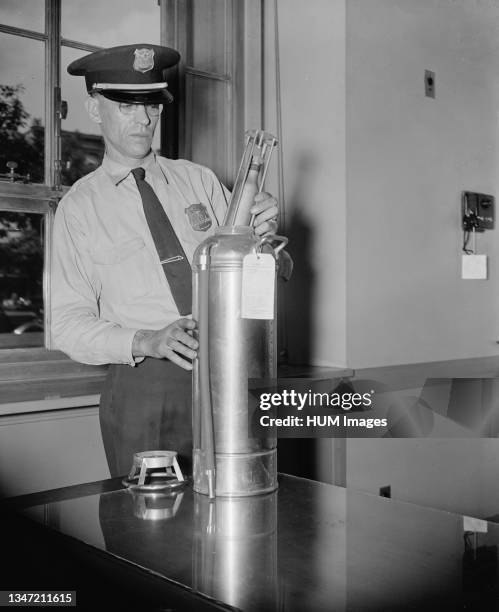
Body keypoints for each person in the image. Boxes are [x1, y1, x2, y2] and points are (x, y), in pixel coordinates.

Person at [51, 44, 278, 477]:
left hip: (228, 371)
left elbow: (255, 282)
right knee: (148, 529)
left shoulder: (200, 181)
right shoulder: (80, 208)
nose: (144, 120)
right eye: (125, 106)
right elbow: (66, 325)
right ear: (94, 108)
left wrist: (261, 243)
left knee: (235, 506)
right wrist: (146, 341)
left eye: (151, 105)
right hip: (145, 385)